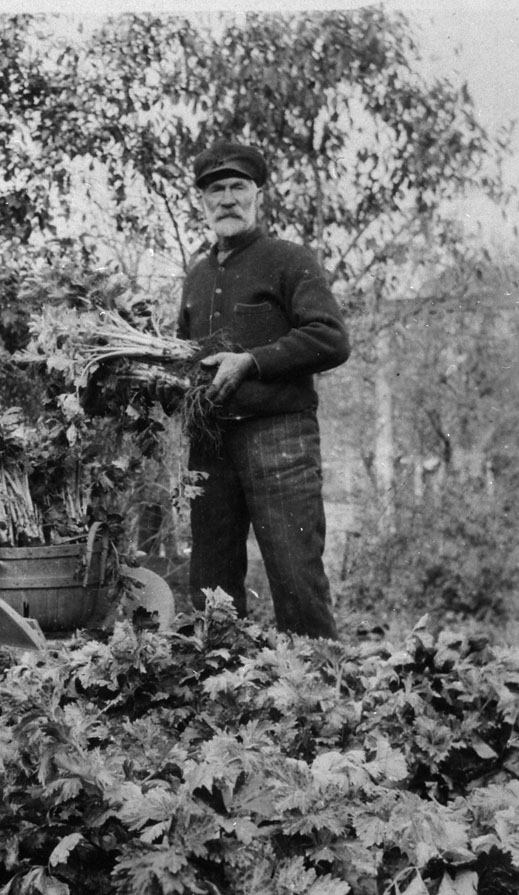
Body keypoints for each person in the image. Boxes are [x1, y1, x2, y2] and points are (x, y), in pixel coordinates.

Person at [177, 140, 350, 639]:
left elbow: (330, 337)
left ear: (258, 195)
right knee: (211, 585)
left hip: (279, 439)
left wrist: (251, 361)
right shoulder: (197, 276)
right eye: (216, 191)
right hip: (210, 445)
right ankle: (222, 689)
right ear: (203, 203)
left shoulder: (288, 260)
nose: (227, 199)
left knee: (296, 577)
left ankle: (318, 693)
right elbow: (186, 355)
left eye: (238, 187)